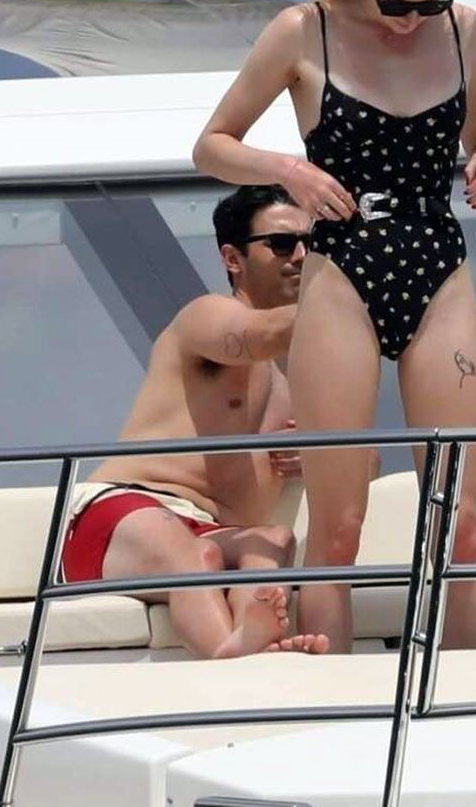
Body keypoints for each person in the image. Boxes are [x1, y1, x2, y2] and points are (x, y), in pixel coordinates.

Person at [192, 0, 476, 653]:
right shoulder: (303, 30)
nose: (411, 21)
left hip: (437, 265)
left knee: (460, 524)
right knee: (338, 527)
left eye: (428, 3)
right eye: (395, 3)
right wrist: (290, 171)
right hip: (342, 269)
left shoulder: (463, 30)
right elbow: (212, 145)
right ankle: (329, 699)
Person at [61, 185, 329, 659]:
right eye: (282, 244)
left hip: (210, 530)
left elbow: (366, 460)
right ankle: (231, 658)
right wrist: (348, 298)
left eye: (312, 243)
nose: (301, 256)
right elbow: (259, 335)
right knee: (197, 557)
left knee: (273, 540)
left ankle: (251, 644)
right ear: (233, 258)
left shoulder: (305, 373)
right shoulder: (206, 317)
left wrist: (318, 455)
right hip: (126, 510)